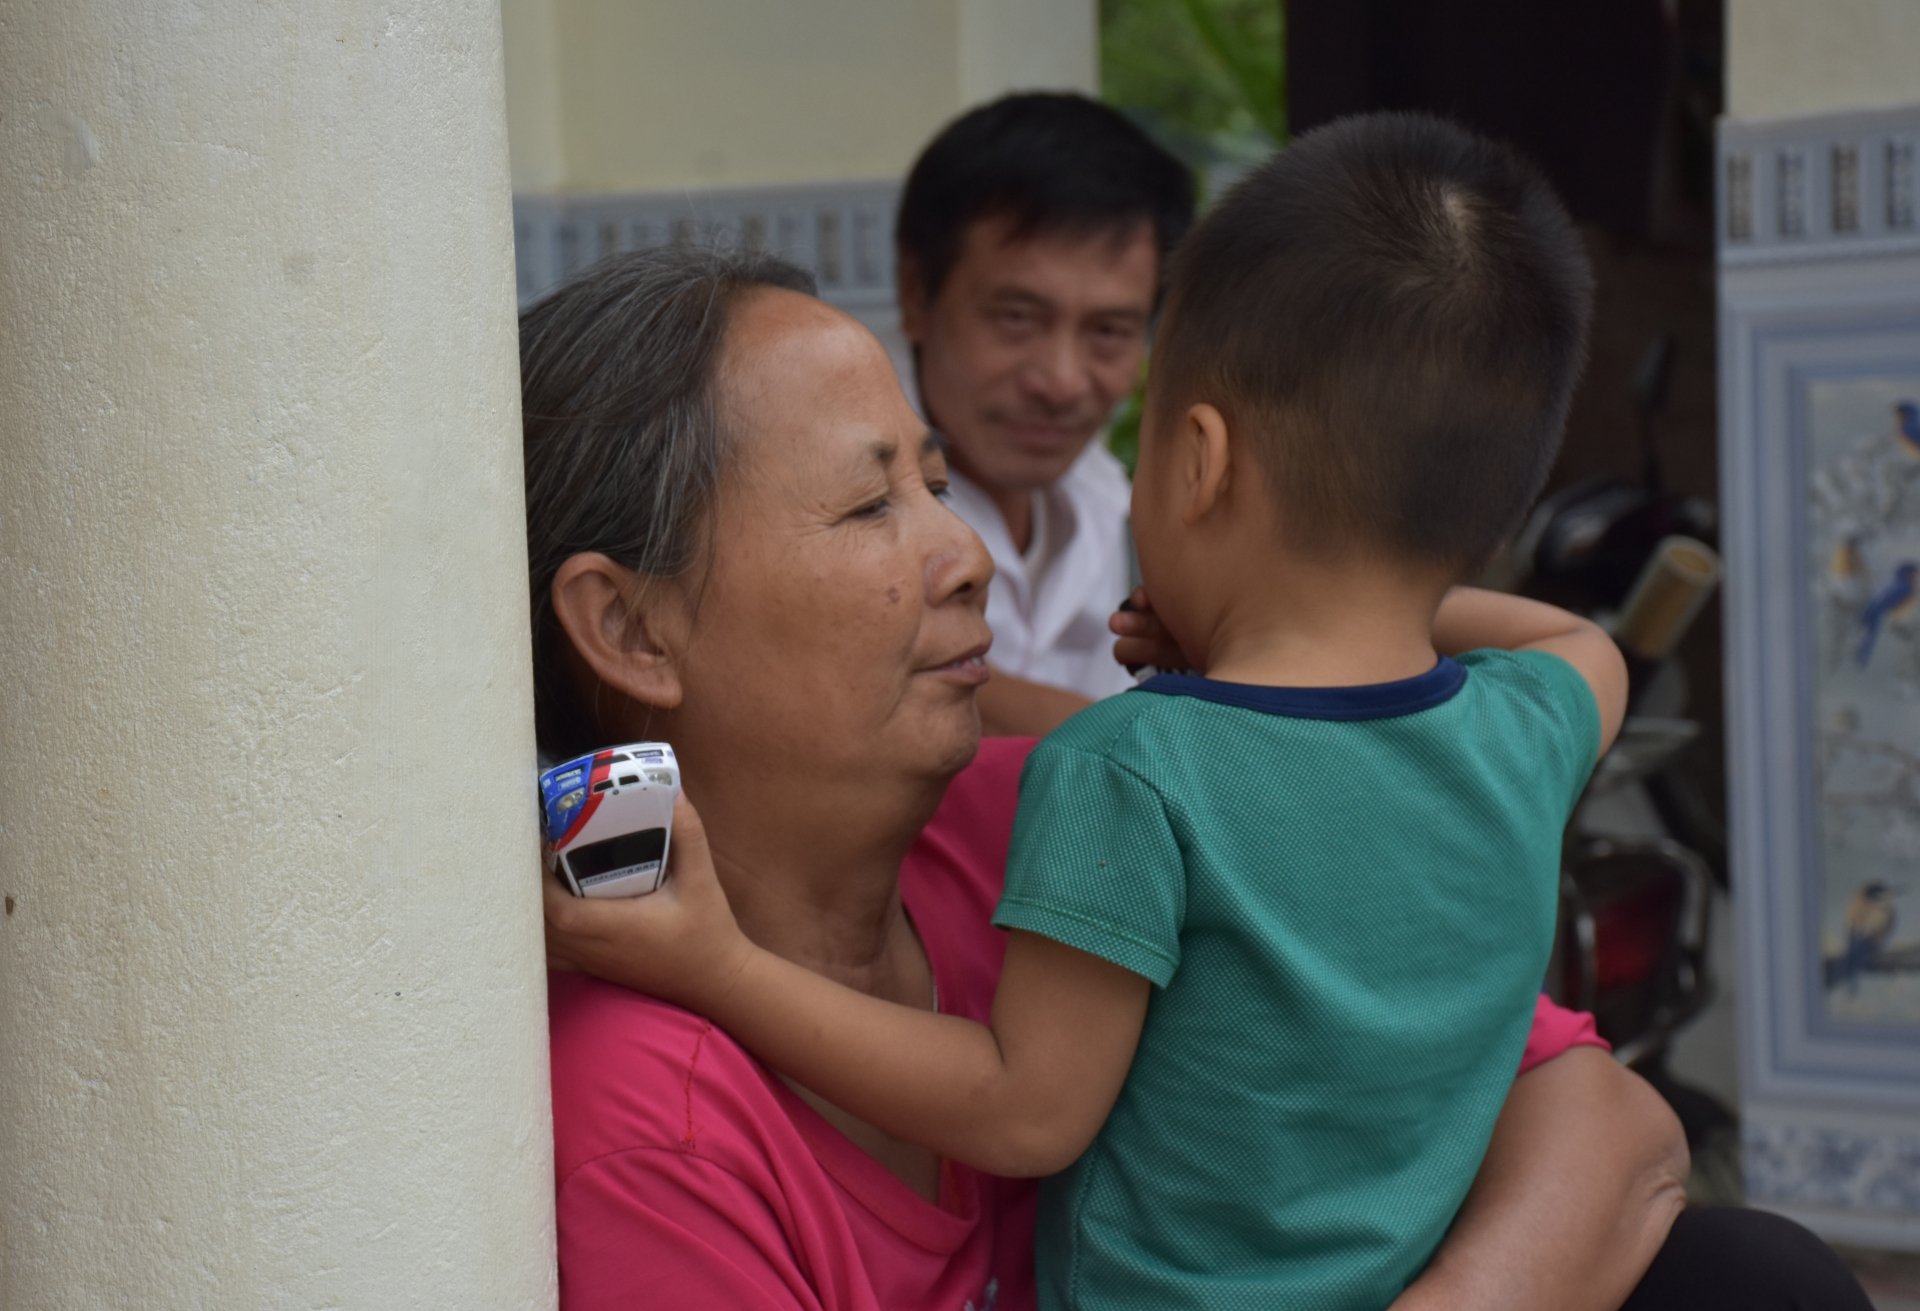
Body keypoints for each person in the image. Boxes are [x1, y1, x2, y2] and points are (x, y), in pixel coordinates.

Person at [531, 247, 1871, 1311]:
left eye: (938, 484)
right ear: (634, 627)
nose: (965, 555)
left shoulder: (1053, 809)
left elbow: (1602, 1111)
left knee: (1751, 1274)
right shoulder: (650, 1113)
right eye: (872, 505)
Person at [895, 94, 1192, 735]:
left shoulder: (1110, 503)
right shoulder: (822, 491)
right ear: (916, 293)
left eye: (1109, 331)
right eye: (1017, 318)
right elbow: (876, 673)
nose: (1061, 381)